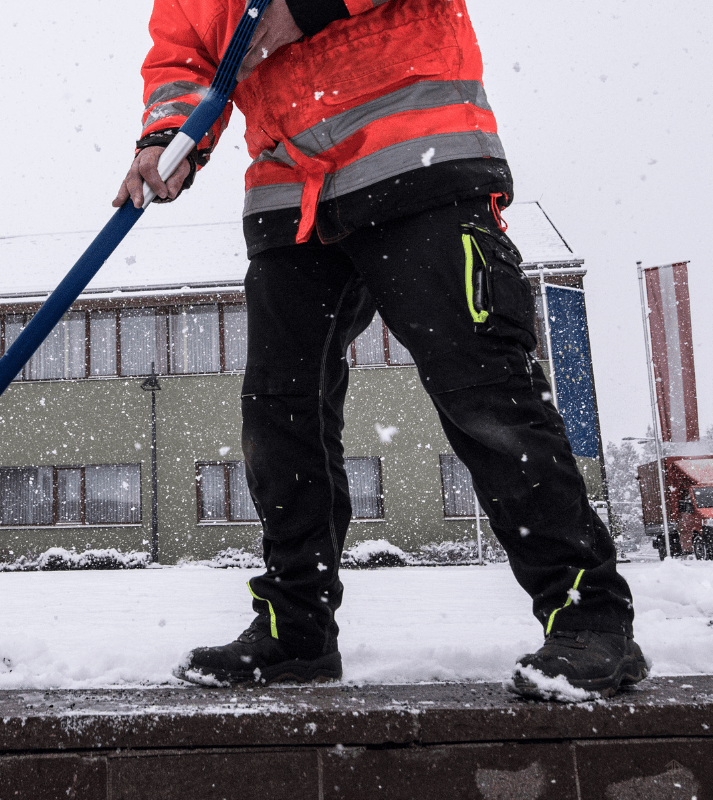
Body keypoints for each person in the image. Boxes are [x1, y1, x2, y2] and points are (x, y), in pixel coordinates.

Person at [113, 0, 647, 700]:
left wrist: (306, 9)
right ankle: (294, 632)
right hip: (288, 192)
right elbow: (184, 59)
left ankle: (590, 618)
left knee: (485, 392)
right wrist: (165, 138)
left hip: (417, 157)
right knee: (281, 416)